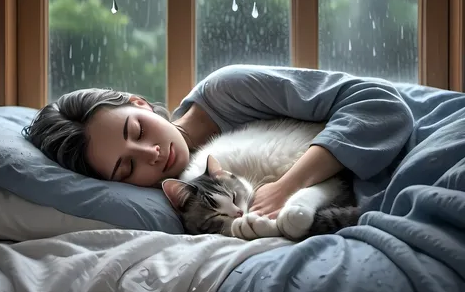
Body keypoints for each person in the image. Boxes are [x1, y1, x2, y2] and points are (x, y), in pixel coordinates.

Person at [25, 63, 450, 218]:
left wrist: (286, 187)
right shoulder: (183, 196)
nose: (151, 154)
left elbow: (379, 104)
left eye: (136, 130)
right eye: (126, 166)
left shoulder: (227, 91)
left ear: (139, 102)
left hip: (428, 129)